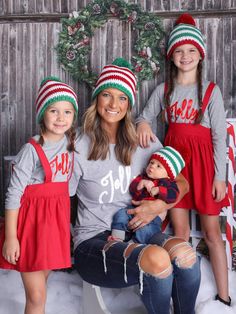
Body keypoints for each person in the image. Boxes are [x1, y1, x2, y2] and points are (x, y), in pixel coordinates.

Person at [71, 57, 200, 314]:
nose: (113, 104)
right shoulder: (77, 144)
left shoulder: (142, 141)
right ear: (97, 98)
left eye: (122, 98)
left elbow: (182, 181)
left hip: (140, 233)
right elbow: (59, 196)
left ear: (128, 103)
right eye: (106, 94)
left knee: (186, 256)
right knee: (158, 258)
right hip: (93, 241)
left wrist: (158, 205)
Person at [136, 13, 231, 306]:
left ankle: (224, 297)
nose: (185, 56)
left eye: (191, 50)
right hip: (175, 171)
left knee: (213, 233)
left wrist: (219, 176)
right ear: (171, 56)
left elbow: (219, 137)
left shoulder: (211, 91)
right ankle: (181, 296)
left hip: (205, 169)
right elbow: (144, 116)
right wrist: (143, 124)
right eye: (179, 50)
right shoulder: (165, 90)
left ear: (200, 55)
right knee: (180, 232)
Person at [0, 76, 78, 314]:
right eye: (54, 110)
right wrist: (11, 237)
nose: (61, 118)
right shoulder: (31, 150)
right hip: (31, 227)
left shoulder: (70, 144)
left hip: (54, 227)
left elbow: (69, 187)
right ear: (42, 113)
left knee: (41, 287)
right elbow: (13, 194)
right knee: (36, 296)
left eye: (67, 112)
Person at [109, 146, 185, 244]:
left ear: (168, 175)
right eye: (151, 162)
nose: (152, 166)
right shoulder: (143, 178)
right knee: (121, 215)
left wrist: (159, 190)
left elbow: (173, 195)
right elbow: (132, 189)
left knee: (145, 230)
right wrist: (141, 184)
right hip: (134, 208)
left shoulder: (168, 183)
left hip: (153, 217)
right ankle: (117, 239)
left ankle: (136, 244)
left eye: (158, 166)